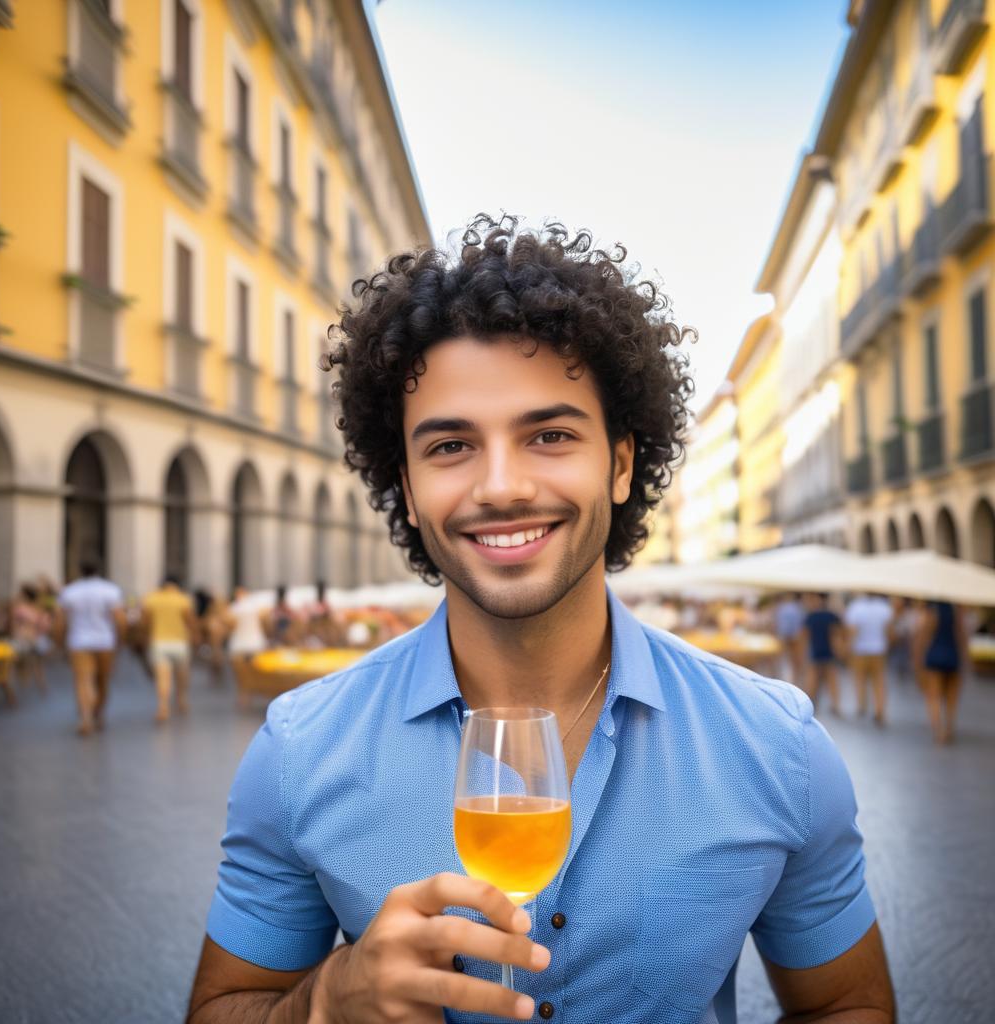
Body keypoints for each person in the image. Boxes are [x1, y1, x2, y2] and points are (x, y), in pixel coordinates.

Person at [188, 216, 893, 1023]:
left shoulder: (779, 747)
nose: (502, 486)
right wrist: (321, 1004)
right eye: (451, 447)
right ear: (408, 489)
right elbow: (223, 1007)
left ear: (621, 463)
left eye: (550, 435)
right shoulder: (298, 751)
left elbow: (848, 1005)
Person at [55, 560, 124, 736]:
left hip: (79, 641)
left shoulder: (70, 591)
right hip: (104, 641)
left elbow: (60, 621)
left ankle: (85, 717)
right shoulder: (110, 590)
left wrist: (59, 642)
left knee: (83, 680)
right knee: (102, 680)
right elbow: (120, 619)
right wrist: (120, 640)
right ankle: (97, 713)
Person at [142, 575, 197, 723]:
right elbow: (190, 621)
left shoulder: (152, 598)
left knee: (162, 677)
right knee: (181, 675)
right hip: (180, 642)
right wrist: (195, 637)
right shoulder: (183, 599)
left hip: (158, 642)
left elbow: (146, 622)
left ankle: (163, 706)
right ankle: (181, 699)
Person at [921, 600, 968, 745]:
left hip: (935, 654)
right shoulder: (956, 611)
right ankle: (949, 727)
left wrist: (919, 657)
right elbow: (961, 635)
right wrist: (965, 658)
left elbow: (925, 635)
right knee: (951, 697)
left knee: (934, 696)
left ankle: (938, 730)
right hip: (952, 654)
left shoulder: (932, 611)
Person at [844, 592, 894, 725]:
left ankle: (861, 705)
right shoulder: (884, 607)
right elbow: (889, 630)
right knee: (879, 681)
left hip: (860, 649)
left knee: (859, 679)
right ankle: (879, 709)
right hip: (879, 649)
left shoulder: (856, 607)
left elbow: (852, 630)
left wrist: (848, 648)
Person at [802, 592, 845, 715]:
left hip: (816, 651)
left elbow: (804, 635)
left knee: (813, 680)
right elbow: (836, 634)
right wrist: (840, 650)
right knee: (831, 680)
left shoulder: (811, 616)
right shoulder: (831, 615)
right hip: (828, 652)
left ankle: (809, 704)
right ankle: (835, 705)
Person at [11, 582, 50, 692]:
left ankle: (22, 683)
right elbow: (45, 627)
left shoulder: (20, 609)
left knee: (18, 662)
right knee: (38, 665)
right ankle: (41, 686)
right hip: (39, 641)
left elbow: (14, 626)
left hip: (23, 641)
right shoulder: (40, 609)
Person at [773, 592, 805, 687]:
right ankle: (794, 681)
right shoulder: (798, 608)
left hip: (785, 636)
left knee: (784, 660)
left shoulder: (782, 608)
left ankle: (782, 680)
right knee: (795, 662)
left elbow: (778, 623)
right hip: (794, 637)